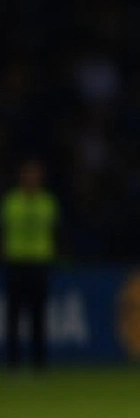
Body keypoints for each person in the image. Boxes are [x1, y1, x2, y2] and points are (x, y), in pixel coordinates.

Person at [2, 157, 59, 370]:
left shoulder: (48, 202)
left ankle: (39, 362)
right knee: (14, 316)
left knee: (39, 315)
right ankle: (13, 361)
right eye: (28, 174)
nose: (31, 178)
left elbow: (56, 232)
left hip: (39, 263)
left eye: (35, 174)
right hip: (16, 262)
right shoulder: (11, 201)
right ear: (21, 177)